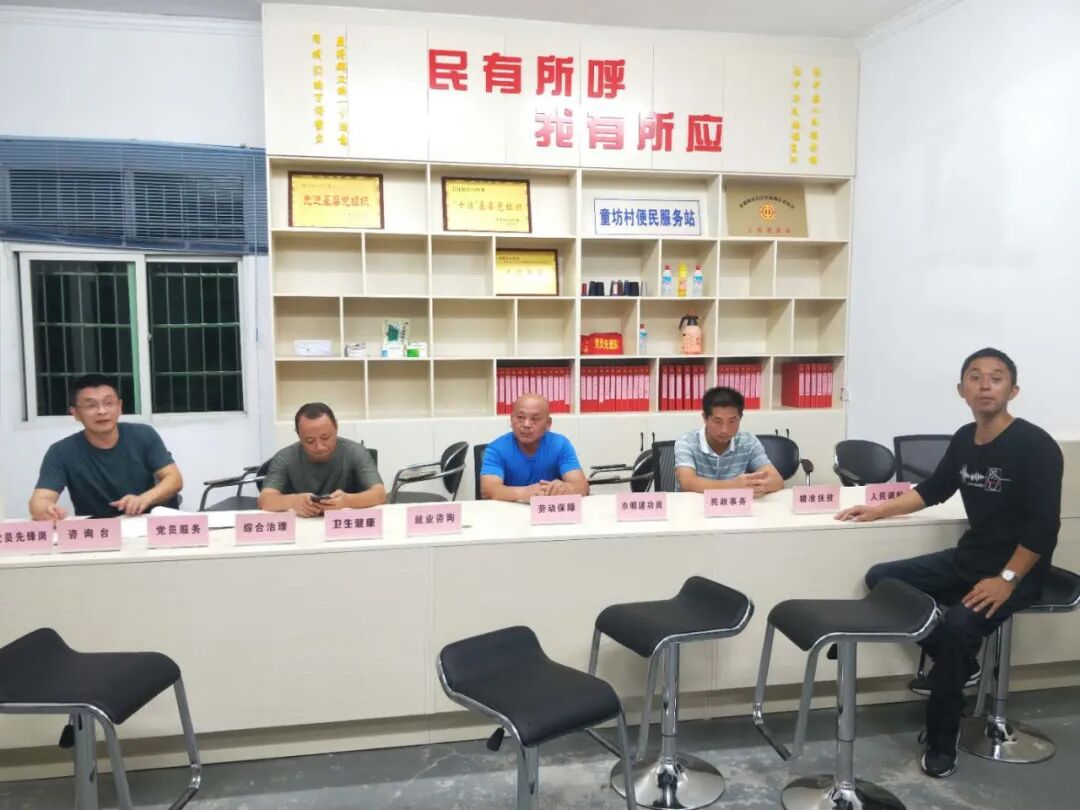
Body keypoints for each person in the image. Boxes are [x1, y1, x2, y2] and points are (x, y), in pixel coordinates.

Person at [836, 348, 1062, 779]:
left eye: (996, 378)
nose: (985, 385)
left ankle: (942, 741)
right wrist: (877, 510)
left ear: (1013, 390)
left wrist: (1006, 579)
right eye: (975, 377)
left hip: (1018, 572)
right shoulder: (963, 438)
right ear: (962, 390)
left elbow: (1043, 528)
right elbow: (935, 489)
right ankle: (959, 663)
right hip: (969, 557)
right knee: (883, 578)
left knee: (959, 627)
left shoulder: (1036, 446)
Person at [29, 373, 183, 520]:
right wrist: (46, 510)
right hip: (96, 530)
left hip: (145, 523)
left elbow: (174, 479)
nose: (102, 411)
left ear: (120, 406)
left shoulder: (143, 435)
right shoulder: (61, 452)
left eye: (108, 403)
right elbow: (40, 500)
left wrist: (143, 499)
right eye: (91, 405)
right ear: (75, 413)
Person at [259, 402, 385, 516]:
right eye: (310, 441)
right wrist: (292, 501)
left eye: (325, 437)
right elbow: (264, 500)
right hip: (301, 526)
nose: (319, 447)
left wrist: (347, 501)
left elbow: (379, 493)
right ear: (298, 435)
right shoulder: (285, 457)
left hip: (345, 524)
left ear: (336, 427)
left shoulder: (355, 452)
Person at [674, 386, 783, 496]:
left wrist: (757, 486)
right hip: (694, 505)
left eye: (732, 421)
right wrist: (734, 486)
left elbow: (776, 481)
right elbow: (687, 482)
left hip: (735, 505)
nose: (725, 430)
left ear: (740, 418)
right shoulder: (686, 443)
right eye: (717, 422)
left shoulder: (748, 442)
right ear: (705, 418)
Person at [480, 394, 588, 502]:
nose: (526, 424)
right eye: (520, 417)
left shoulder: (560, 445)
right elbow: (488, 491)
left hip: (549, 510)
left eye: (535, 419)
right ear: (511, 420)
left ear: (548, 423)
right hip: (511, 510)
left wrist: (565, 489)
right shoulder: (497, 449)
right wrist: (523, 493)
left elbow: (582, 486)